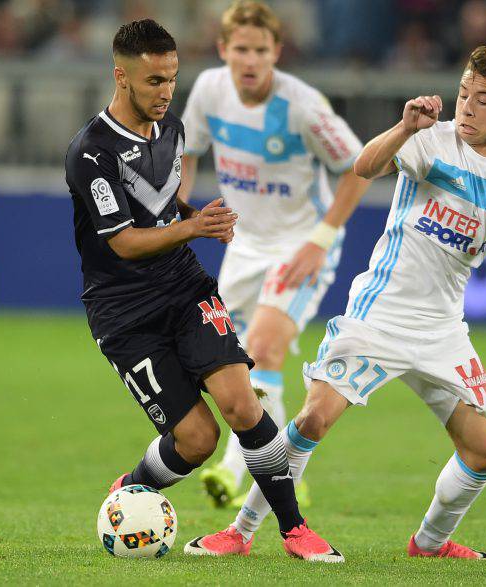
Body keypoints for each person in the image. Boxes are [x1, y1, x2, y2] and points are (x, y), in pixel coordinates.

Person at [188, 45, 486, 559]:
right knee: (312, 421)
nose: (466, 108)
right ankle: (239, 533)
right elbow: (364, 165)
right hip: (380, 314)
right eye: (463, 95)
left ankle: (430, 543)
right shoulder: (431, 143)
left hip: (443, 330)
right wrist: (404, 128)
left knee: (485, 453)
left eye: (483, 100)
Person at [64, 18, 341, 562]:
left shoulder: (172, 130)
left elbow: (163, 209)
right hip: (124, 314)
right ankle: (130, 491)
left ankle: (294, 530)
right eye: (153, 82)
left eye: (171, 79)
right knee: (197, 440)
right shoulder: (91, 152)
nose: (166, 93)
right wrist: (192, 227)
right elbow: (121, 242)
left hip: (184, 286)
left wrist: (196, 215)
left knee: (242, 402)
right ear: (120, 77)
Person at [178, 0, 371, 510]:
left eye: (260, 50)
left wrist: (321, 239)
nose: (249, 60)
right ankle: (284, 472)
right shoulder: (209, 91)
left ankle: (230, 468)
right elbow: (189, 151)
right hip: (240, 247)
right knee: (235, 359)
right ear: (223, 50)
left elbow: (358, 167)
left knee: (262, 349)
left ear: (276, 53)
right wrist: (181, 212)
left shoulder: (303, 105)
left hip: (299, 247)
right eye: (240, 49)